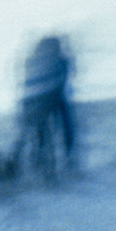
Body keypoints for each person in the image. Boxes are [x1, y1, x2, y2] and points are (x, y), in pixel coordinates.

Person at [14, 34, 77, 183]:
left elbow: (25, 83)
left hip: (31, 103)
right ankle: (59, 167)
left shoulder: (30, 60)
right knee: (61, 131)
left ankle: (43, 169)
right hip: (52, 99)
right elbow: (65, 80)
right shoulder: (61, 59)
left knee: (40, 137)